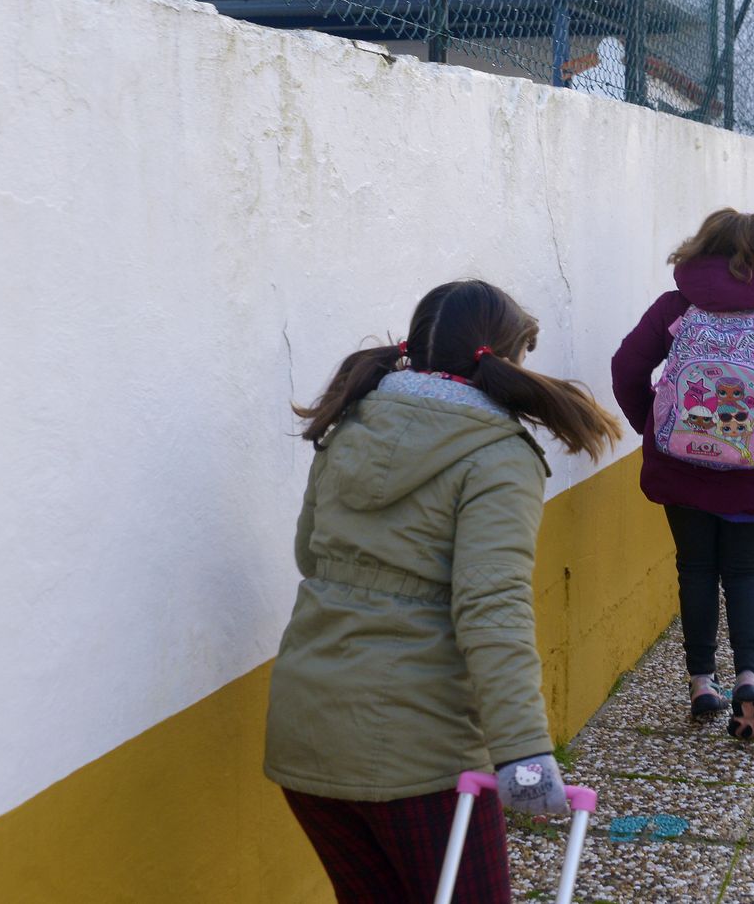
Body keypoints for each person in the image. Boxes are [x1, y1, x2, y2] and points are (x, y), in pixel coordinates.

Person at [265, 279, 624, 904]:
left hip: (306, 727)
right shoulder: (494, 453)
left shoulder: (352, 417)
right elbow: (493, 609)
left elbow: (309, 553)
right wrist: (524, 753)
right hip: (418, 753)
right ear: (506, 357)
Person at [611, 210, 754, 740]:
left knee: (694, 570)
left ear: (703, 248)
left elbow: (626, 365)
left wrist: (655, 429)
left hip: (681, 466)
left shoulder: (677, 308)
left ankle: (701, 683)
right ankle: (749, 681)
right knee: (743, 575)